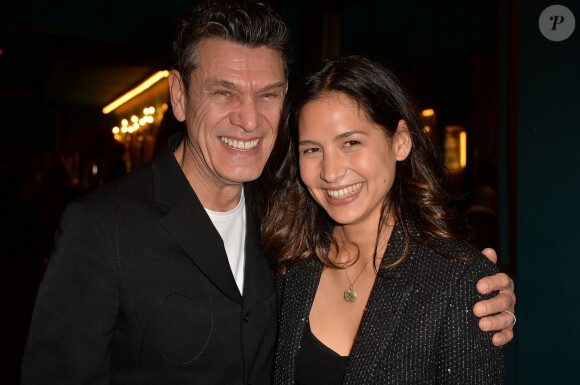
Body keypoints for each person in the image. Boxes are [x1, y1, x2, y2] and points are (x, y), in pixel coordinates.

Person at [22, 1, 514, 384]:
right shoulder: (101, 227)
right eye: (224, 92)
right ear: (178, 94)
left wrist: (474, 293)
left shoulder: (287, 222)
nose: (249, 119)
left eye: (269, 94)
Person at [260, 56, 505, 384]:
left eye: (350, 142)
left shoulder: (458, 278)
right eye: (312, 150)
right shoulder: (291, 263)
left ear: (400, 141)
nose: (330, 172)